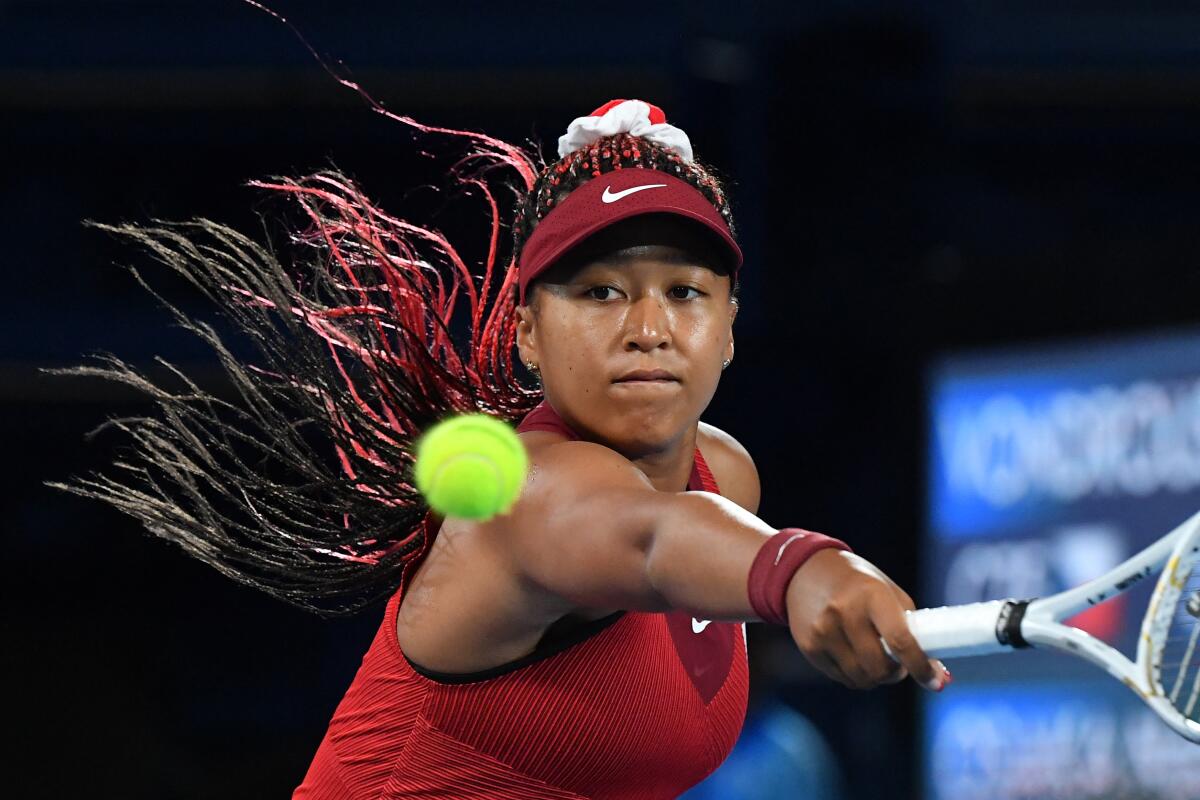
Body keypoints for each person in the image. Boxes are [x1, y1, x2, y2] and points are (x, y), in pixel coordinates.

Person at [53, 99, 948, 799]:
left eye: (685, 292)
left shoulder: (729, 475)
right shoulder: (527, 495)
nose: (648, 329)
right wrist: (799, 570)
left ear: (728, 331)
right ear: (526, 333)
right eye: (599, 293)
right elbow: (649, 538)